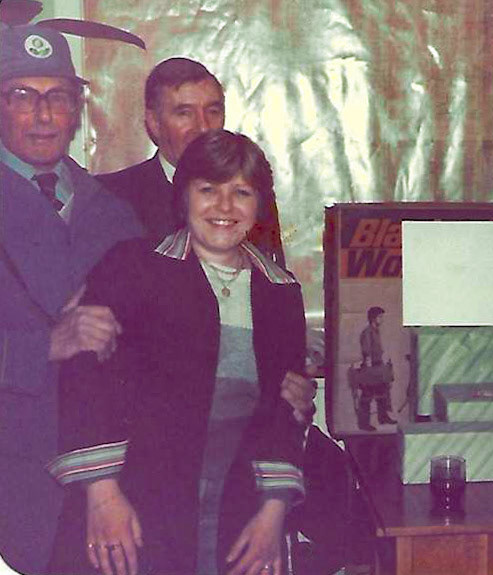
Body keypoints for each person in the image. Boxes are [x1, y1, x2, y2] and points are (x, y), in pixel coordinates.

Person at [48, 130, 309, 575]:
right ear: (183, 195)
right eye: (208, 190)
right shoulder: (132, 268)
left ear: (259, 205)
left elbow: (285, 410)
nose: (224, 208)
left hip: (237, 509)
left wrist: (273, 515)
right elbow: (85, 378)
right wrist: (103, 495)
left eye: (240, 193)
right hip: (132, 504)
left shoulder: (280, 291)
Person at [0, 23, 143, 573]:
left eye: (57, 97)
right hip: (15, 482)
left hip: (110, 477)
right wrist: (42, 346)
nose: (42, 114)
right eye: (22, 96)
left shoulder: (113, 213)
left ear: (77, 110)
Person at [96, 57, 225, 243]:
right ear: (154, 123)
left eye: (213, 111)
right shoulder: (111, 198)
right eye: (185, 113)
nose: (204, 127)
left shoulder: (246, 195)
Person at [356, 306, 396, 431]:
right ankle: (364, 424)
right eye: (380, 317)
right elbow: (366, 351)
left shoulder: (376, 331)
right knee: (367, 397)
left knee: (383, 392)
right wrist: (369, 369)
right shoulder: (367, 332)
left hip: (378, 367)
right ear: (373, 318)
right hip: (371, 368)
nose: (382, 319)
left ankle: (383, 417)